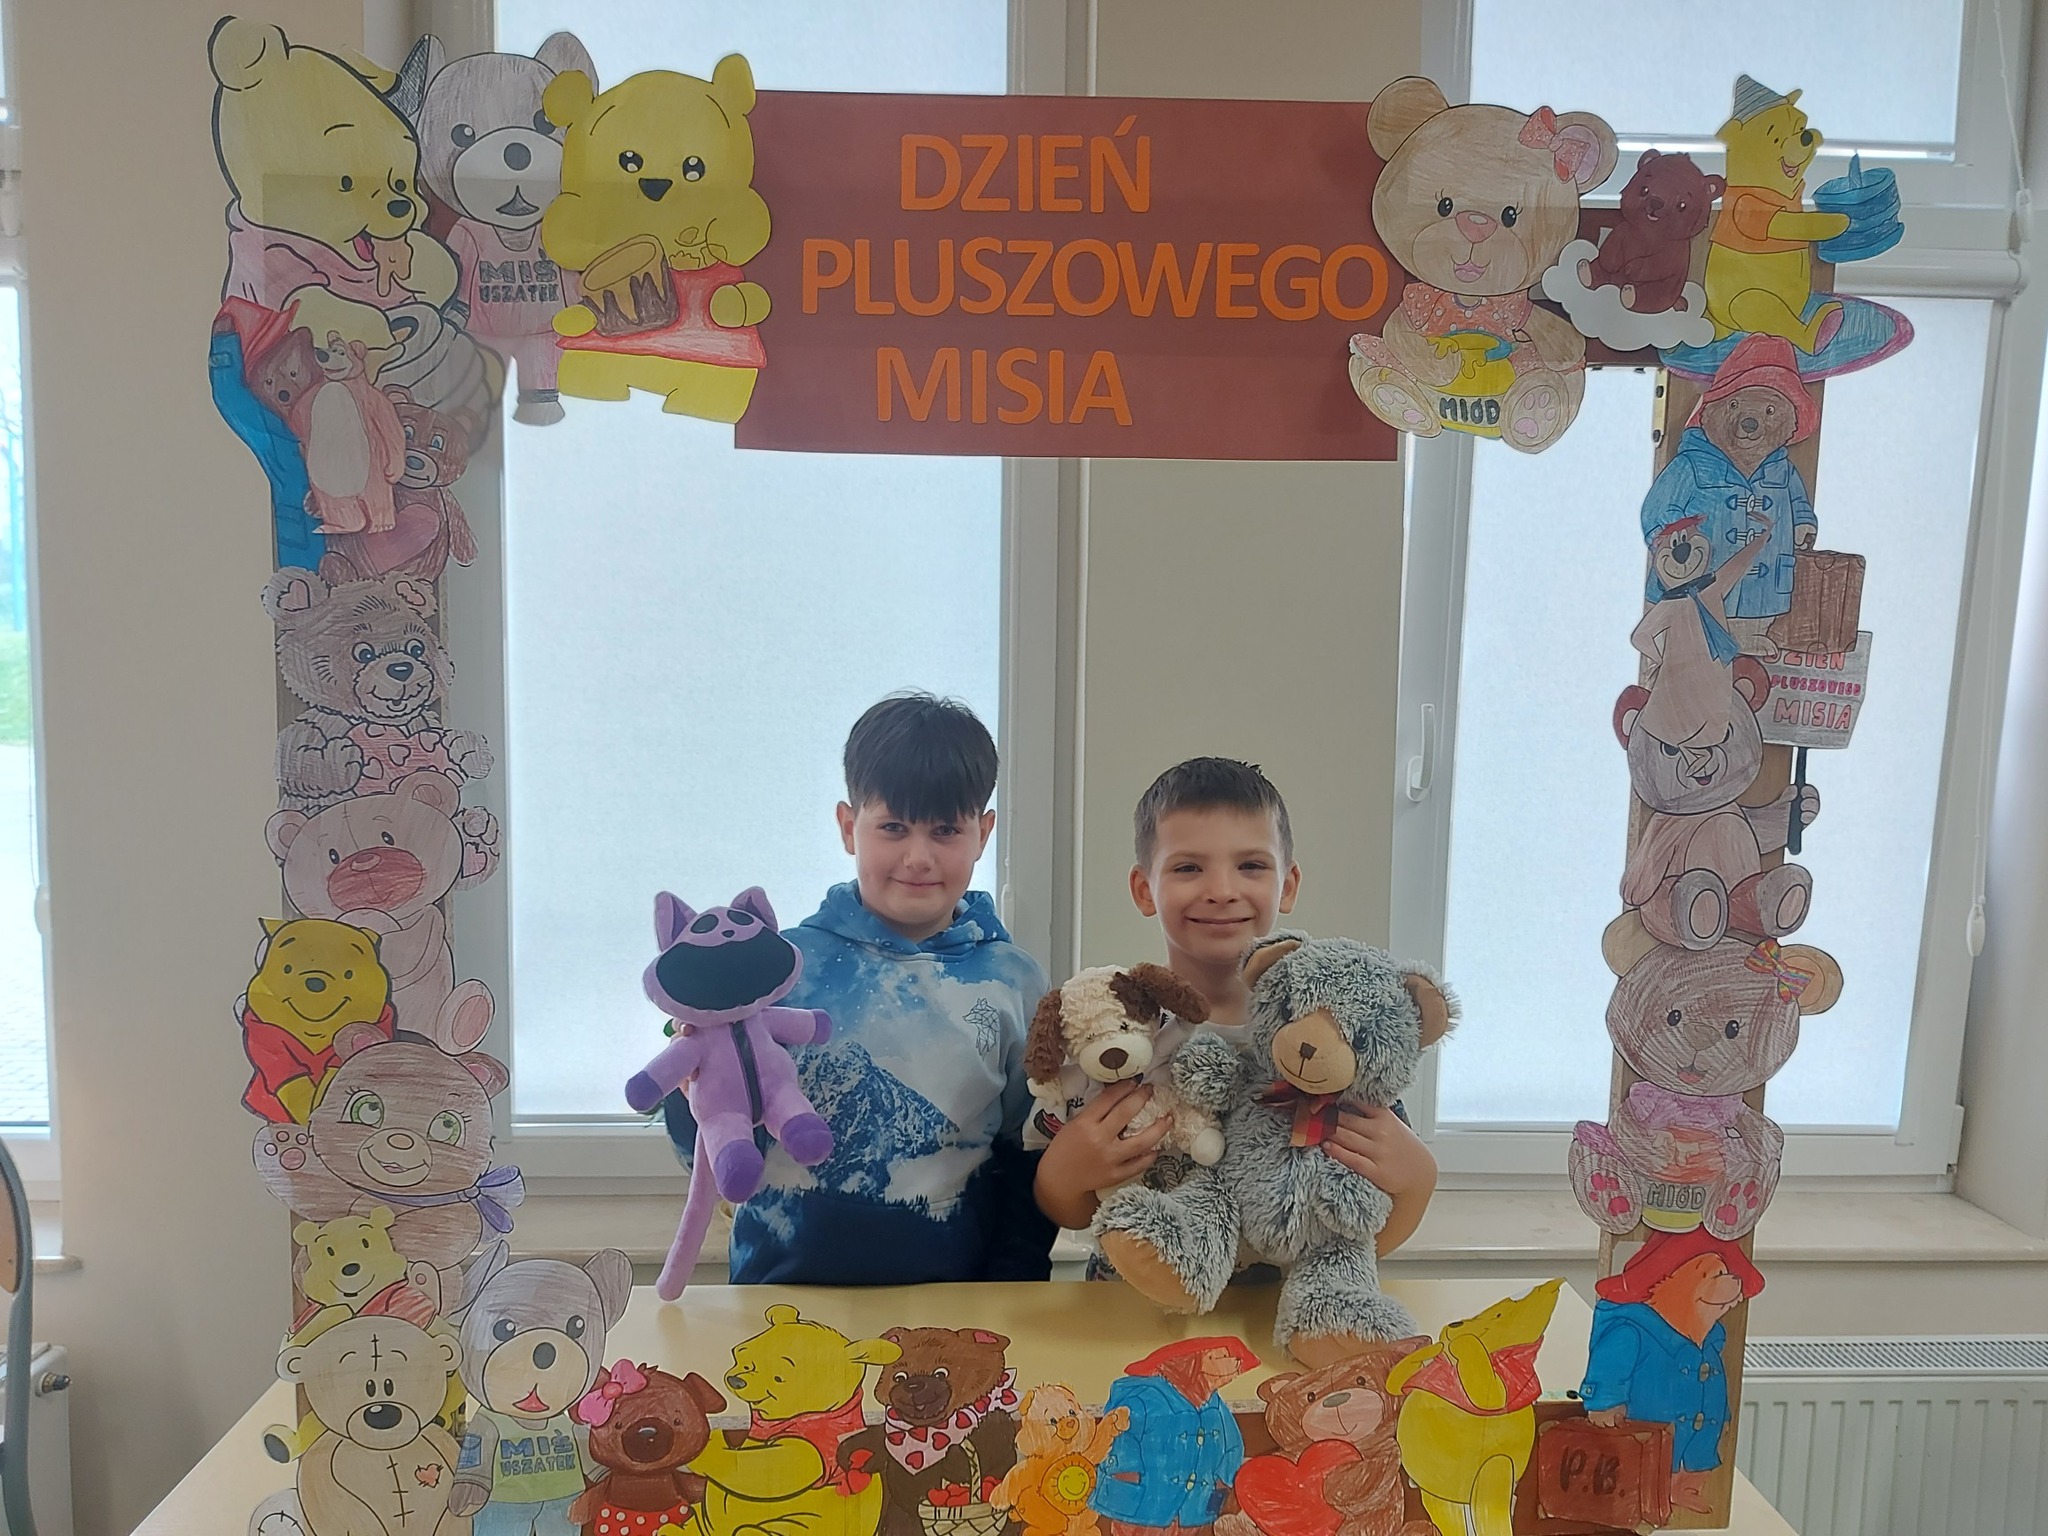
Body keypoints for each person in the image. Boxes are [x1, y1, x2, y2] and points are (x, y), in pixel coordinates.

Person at [662, 692, 1054, 1284]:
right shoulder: (776, 969)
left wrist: (1011, 1285)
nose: (918, 857)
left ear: (983, 833)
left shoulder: (1014, 981)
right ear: (849, 827)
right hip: (776, 1297)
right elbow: (707, 1144)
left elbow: (1026, 1152)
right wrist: (686, 1081)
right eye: (893, 827)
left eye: (946, 830)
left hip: (953, 1306)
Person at [1032, 758, 1439, 1254]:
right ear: (1144, 889)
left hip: (1288, 1298)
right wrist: (1058, 1177)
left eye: (1251, 866)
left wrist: (1419, 1180)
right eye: (1188, 868)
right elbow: (1073, 1209)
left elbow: (1364, 1235)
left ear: (1287, 885)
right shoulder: (1109, 1027)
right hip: (1133, 1296)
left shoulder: (1336, 1030)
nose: (1222, 892)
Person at [1091, 1337, 1259, 1536]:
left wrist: (1219, 1493)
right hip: (1145, 1510)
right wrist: (1128, 1491)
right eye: (1221, 1356)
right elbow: (1120, 1444)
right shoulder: (1144, 1398)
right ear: (1191, 1362)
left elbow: (1232, 1448)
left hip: (1194, 1510)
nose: (1234, 1362)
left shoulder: (1216, 1406)